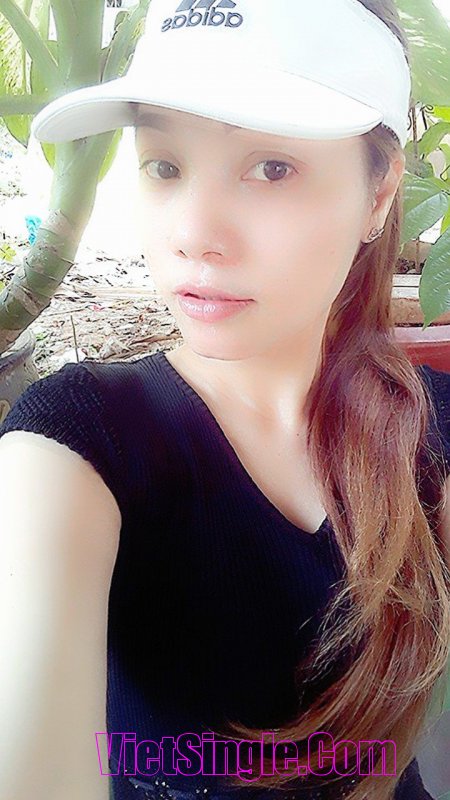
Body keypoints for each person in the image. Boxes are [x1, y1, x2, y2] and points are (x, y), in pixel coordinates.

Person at [0, 0, 449, 799]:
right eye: (164, 166)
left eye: (271, 167)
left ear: (380, 194)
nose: (192, 232)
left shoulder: (433, 429)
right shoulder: (75, 444)